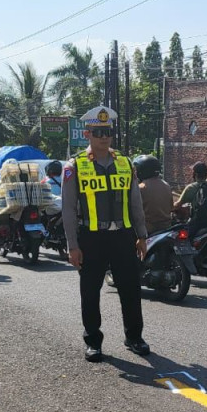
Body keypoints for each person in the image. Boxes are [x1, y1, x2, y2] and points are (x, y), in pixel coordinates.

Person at [61, 106, 150, 362]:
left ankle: (134, 337)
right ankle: (93, 341)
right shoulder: (75, 166)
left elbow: (135, 202)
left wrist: (141, 235)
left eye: (108, 132)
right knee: (90, 291)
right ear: (88, 133)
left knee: (131, 289)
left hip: (123, 236)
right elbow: (68, 209)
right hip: (91, 237)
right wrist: (72, 246)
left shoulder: (125, 163)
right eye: (98, 132)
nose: (104, 137)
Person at [175, 161, 207, 233]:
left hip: (197, 224)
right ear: (206, 174)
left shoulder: (191, 188)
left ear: (194, 174)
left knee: (182, 237)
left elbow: (177, 205)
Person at [134, 154, 173, 236]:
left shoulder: (140, 188)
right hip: (166, 229)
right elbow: (171, 207)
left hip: (148, 231)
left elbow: (134, 211)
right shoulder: (166, 185)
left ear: (142, 171)